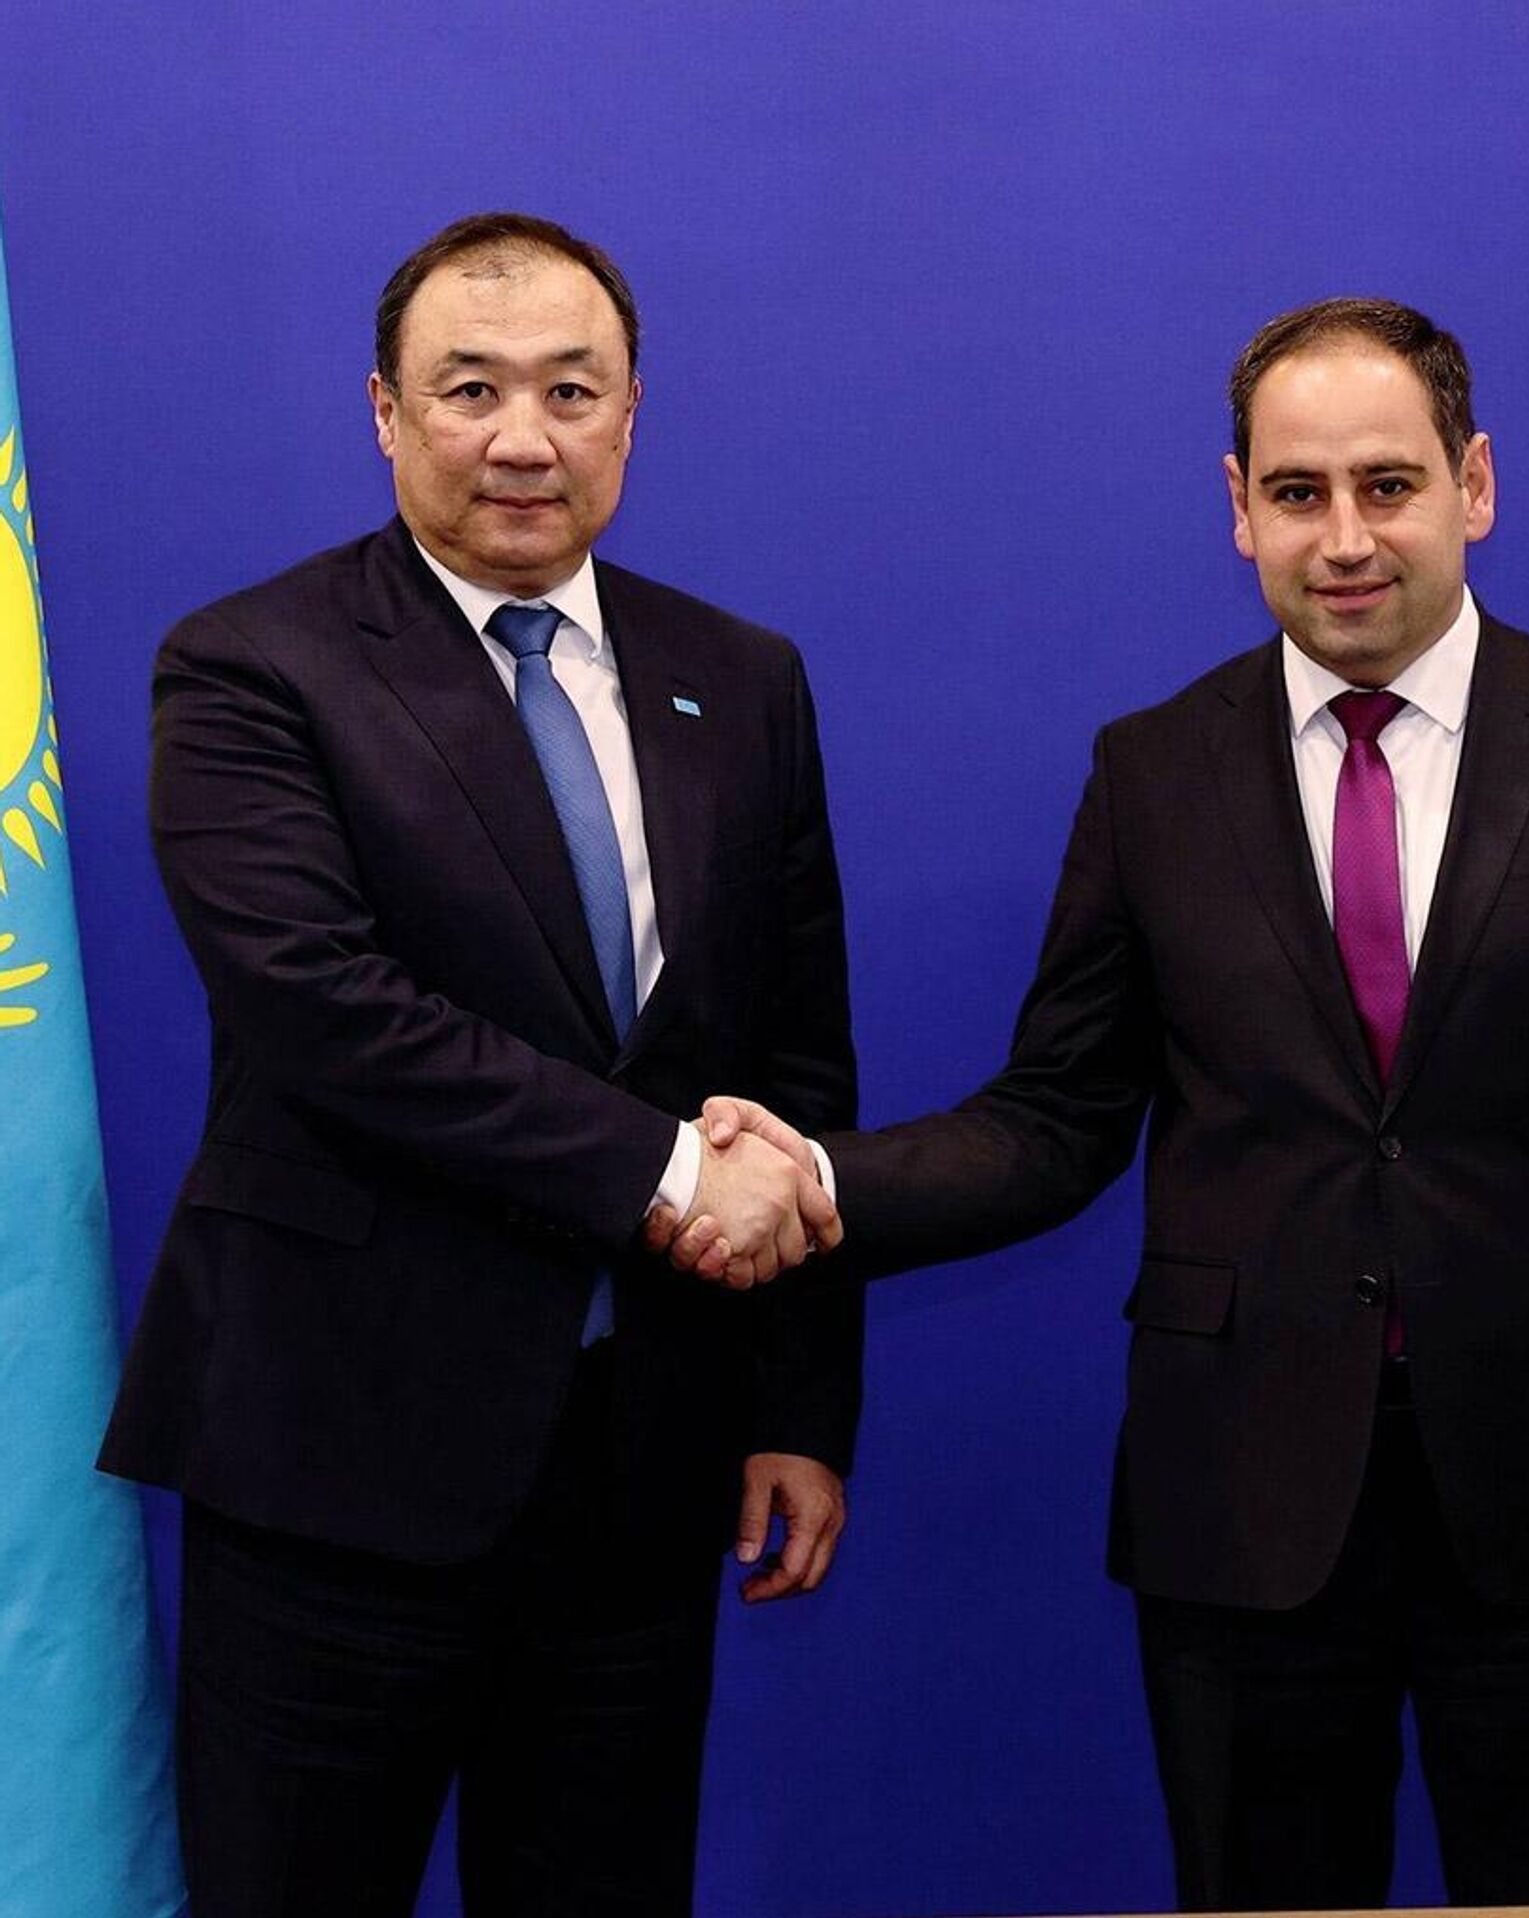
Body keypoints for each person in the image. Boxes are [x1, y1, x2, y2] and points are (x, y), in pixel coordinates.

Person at [666, 298, 1529, 1911]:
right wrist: (824, 1182)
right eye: (1298, 491)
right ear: (1238, 506)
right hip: (1244, 1510)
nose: (1346, 538)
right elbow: (1053, 1119)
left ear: (1474, 484)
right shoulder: (1155, 771)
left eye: (1388, 485)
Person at [99, 211, 859, 1918]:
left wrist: (797, 1407)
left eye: (571, 391)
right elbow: (327, 1011)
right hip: (336, 1467)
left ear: (631, 414)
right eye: (471, 389)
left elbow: (794, 1057)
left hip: (641, 1477)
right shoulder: (252, 665)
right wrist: (672, 1172)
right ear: (385, 411)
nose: (525, 437)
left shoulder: (743, 679)